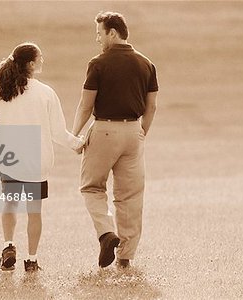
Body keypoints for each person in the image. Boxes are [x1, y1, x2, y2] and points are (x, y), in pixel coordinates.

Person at [0, 42, 84, 272]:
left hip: (10, 159)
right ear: (31, 64)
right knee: (34, 211)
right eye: (40, 58)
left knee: (10, 203)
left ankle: (8, 246)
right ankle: (32, 260)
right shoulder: (46, 93)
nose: (42, 61)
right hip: (37, 162)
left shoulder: (1, 89)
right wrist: (77, 145)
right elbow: (58, 132)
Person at [72, 12, 158, 268]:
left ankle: (107, 233)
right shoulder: (146, 64)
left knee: (92, 187)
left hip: (104, 131)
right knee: (130, 196)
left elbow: (86, 105)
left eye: (99, 33)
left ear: (112, 32)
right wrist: (141, 131)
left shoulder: (98, 63)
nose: (97, 38)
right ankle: (126, 257)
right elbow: (152, 107)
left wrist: (75, 135)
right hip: (134, 133)